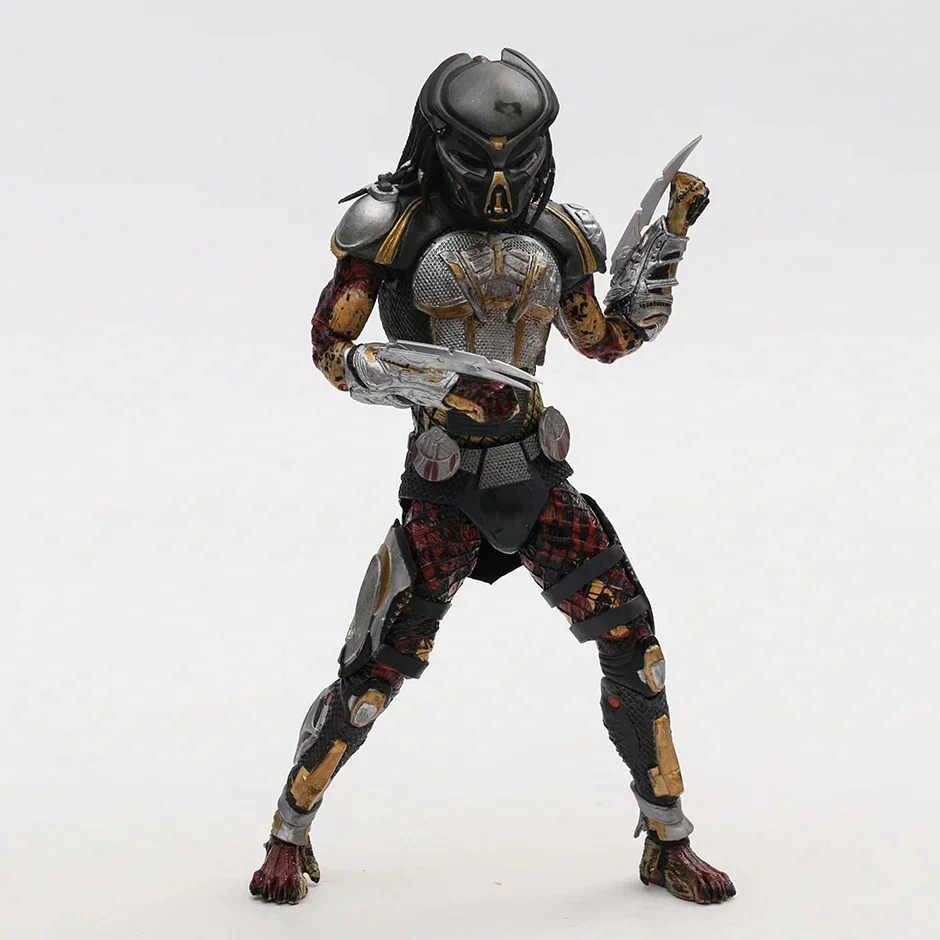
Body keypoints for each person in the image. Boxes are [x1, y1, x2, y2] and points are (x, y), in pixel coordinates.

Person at [250, 48, 735, 906]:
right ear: (442, 145)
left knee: (635, 646)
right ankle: (289, 830)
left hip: (537, 475)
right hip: (445, 487)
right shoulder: (390, 227)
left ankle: (668, 838)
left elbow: (605, 338)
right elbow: (332, 351)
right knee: (374, 673)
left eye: (516, 159)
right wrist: (434, 382)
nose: (500, 185)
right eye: (478, 160)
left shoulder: (561, 233)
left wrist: (667, 240)